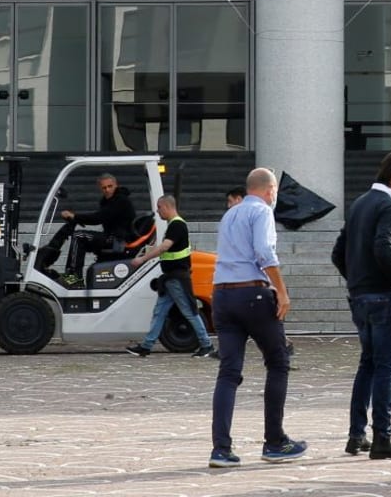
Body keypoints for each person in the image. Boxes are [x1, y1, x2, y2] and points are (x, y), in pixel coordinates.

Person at [208, 168, 306, 469]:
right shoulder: (262, 212)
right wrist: (282, 290)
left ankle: (221, 449)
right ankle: (275, 441)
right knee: (278, 362)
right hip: (252, 293)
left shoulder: (231, 214)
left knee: (229, 371)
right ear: (270, 189)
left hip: (222, 296)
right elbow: (264, 252)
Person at [331, 151, 391, 461]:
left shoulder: (359, 204)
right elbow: (384, 246)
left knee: (368, 363)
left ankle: (357, 434)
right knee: (386, 366)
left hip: (359, 295)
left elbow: (338, 252)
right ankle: (383, 436)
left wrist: (356, 279)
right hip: (383, 295)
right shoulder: (389, 205)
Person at [126, 195, 214, 359]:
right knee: (160, 312)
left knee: (188, 311)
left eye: (159, 208)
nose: (158, 212)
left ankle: (207, 345)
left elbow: (165, 247)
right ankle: (146, 346)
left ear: (165, 206)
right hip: (171, 278)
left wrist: (142, 259)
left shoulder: (177, 225)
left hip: (176, 278)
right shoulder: (175, 225)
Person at [59, 171, 138, 278]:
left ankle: (73, 277)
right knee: (81, 238)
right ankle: (74, 275)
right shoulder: (106, 201)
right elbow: (99, 216)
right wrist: (78, 219)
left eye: (110, 186)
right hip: (112, 237)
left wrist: (75, 216)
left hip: (118, 239)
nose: (107, 190)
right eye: (104, 188)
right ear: (100, 188)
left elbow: (98, 218)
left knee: (79, 236)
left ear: (116, 185)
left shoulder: (120, 200)